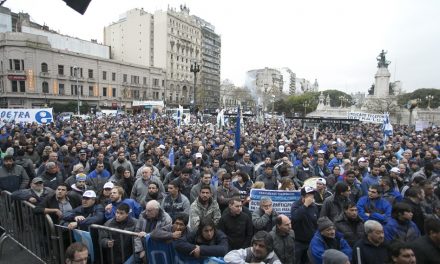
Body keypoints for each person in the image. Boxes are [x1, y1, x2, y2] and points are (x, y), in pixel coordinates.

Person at [291, 186, 319, 264]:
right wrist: (305, 205)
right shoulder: (295, 205)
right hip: (298, 242)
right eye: (309, 195)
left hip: (310, 241)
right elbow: (295, 217)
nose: (311, 197)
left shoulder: (314, 206)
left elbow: (316, 222)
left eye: (312, 194)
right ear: (303, 196)